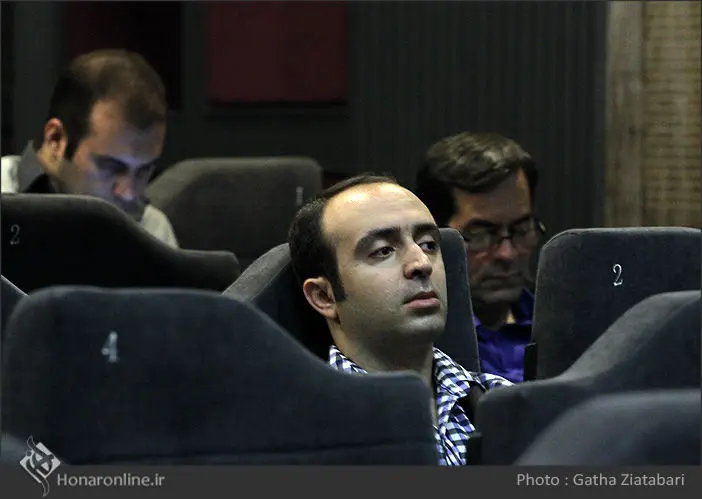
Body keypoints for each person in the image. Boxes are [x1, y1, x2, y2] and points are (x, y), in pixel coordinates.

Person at [288, 174, 512, 466]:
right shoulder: (297, 434)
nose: (421, 263)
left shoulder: (507, 405)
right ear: (324, 296)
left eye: (428, 244)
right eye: (384, 251)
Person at [1, 50, 178, 248]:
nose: (128, 193)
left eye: (143, 171)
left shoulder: (153, 230)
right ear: (55, 140)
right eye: (111, 167)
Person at [415, 132, 544, 383]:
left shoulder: (562, 327)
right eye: (481, 234)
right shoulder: (414, 344)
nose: (507, 254)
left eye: (521, 229)